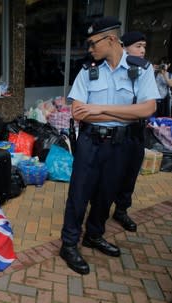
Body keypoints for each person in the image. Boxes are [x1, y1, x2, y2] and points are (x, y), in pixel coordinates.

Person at [60, 17, 159, 275]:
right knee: (79, 195)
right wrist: (127, 113)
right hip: (90, 142)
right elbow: (79, 113)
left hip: (121, 144)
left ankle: (94, 234)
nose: (90, 49)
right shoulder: (87, 70)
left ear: (111, 39)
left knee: (107, 193)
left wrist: (101, 107)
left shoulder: (141, 69)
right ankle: (69, 244)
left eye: (93, 43)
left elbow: (148, 109)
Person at [110, 31, 148, 232]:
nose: (142, 51)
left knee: (130, 174)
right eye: (138, 46)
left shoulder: (145, 71)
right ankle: (100, 211)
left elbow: (150, 104)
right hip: (117, 133)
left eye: (144, 47)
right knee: (112, 174)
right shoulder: (114, 70)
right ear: (125, 47)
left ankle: (122, 210)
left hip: (137, 132)